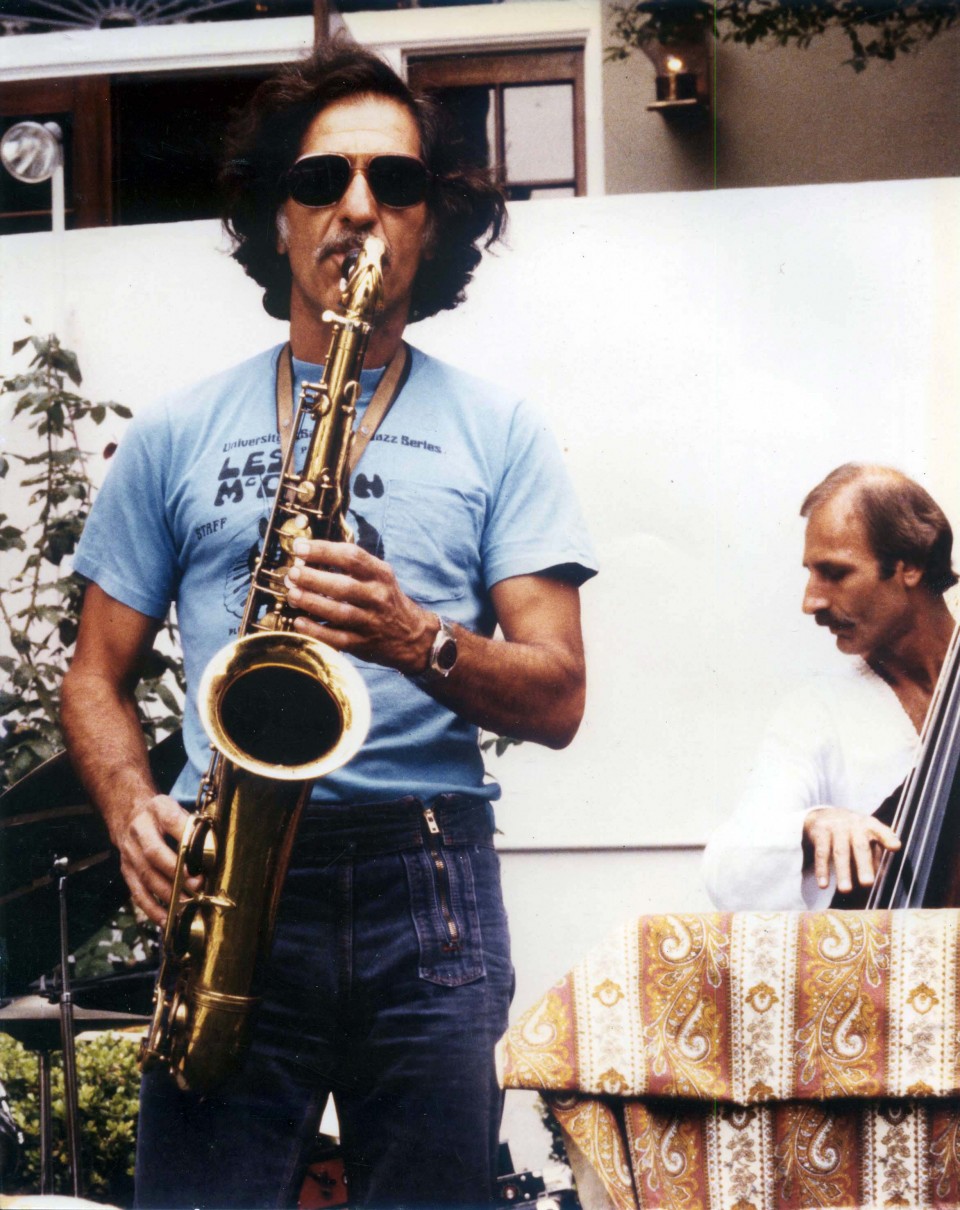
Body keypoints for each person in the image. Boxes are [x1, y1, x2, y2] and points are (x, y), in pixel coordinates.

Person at [60, 40, 597, 1210]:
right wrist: (131, 808)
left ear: (430, 221)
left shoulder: (502, 430)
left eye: (395, 182)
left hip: (428, 881)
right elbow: (93, 675)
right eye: (321, 179)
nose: (358, 207)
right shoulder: (177, 432)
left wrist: (416, 637)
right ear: (278, 214)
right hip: (232, 879)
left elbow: (559, 695)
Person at [702, 462, 956, 912]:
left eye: (835, 573)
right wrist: (812, 825)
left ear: (911, 567)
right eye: (811, 573)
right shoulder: (816, 710)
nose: (811, 601)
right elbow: (730, 868)